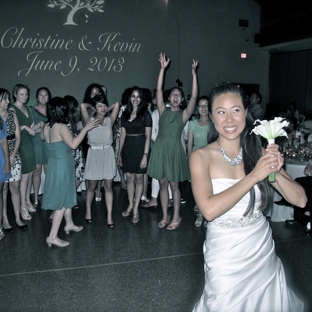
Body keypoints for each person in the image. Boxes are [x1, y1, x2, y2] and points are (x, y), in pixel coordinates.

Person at [189, 83, 306, 311]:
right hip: (224, 253)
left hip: (260, 250)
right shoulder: (201, 156)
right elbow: (209, 210)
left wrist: (274, 173)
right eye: (221, 112)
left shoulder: (258, 152)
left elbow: (300, 200)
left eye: (236, 110)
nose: (229, 119)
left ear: (246, 113)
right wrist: (254, 176)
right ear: (212, 118)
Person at [147, 53, 198, 230]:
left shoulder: (184, 114)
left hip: (175, 149)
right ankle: (165, 215)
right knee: (162, 184)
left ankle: (176, 217)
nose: (175, 97)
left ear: (181, 100)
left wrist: (193, 74)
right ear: (169, 98)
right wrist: (162, 69)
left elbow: (194, 99)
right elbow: (159, 90)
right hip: (161, 148)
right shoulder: (162, 110)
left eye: (179, 95)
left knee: (174, 185)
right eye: (173, 94)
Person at [40, 96, 98, 248]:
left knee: (65, 195)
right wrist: (86, 128)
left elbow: (42, 137)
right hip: (62, 165)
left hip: (54, 164)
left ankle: (69, 224)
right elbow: (73, 145)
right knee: (62, 201)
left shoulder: (47, 126)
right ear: (61, 110)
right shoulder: (61, 126)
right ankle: (52, 236)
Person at [81, 94, 119, 227]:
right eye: (99, 106)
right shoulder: (89, 120)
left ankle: (109, 216)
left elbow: (117, 104)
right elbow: (82, 106)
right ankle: (88, 211)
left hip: (107, 153)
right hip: (94, 154)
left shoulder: (110, 120)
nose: (102, 108)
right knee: (91, 186)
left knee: (108, 186)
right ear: (94, 107)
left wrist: (106, 109)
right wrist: (92, 106)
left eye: (104, 105)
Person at [118, 86, 152, 224]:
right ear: (129, 98)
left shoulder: (146, 114)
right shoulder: (125, 114)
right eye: (133, 96)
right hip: (127, 148)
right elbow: (122, 135)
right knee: (129, 178)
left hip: (140, 147)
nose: (135, 99)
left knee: (139, 179)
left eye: (138, 96)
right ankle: (130, 204)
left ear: (141, 99)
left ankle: (136, 208)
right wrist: (119, 154)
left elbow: (148, 137)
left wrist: (145, 155)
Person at [12, 84, 41, 220]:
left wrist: (42, 126)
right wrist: (23, 127)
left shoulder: (28, 109)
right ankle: (23, 206)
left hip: (29, 143)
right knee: (24, 177)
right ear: (15, 94)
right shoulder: (12, 108)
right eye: (21, 94)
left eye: (26, 94)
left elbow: (31, 128)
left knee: (29, 175)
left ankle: (27, 200)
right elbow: (12, 129)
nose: (24, 96)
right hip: (20, 145)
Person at [0, 89, 27, 232]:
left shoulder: (11, 114)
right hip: (0, 156)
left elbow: (18, 137)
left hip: (14, 154)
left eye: (8, 99)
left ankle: (17, 217)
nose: (8, 102)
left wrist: (12, 156)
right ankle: (5, 219)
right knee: (2, 189)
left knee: (15, 187)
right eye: (4, 99)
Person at [81, 83, 107, 201]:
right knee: (90, 170)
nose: (95, 95)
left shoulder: (103, 107)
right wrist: (92, 106)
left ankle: (98, 191)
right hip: (88, 142)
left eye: (98, 93)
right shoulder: (86, 108)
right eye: (92, 93)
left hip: (102, 143)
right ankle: (89, 192)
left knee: (100, 169)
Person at [187, 96, 210, 227]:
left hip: (209, 159)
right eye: (200, 105)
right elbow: (189, 144)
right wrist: (190, 160)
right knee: (198, 188)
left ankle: (206, 214)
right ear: (197, 108)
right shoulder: (193, 123)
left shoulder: (214, 124)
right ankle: (200, 214)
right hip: (196, 159)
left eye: (205, 105)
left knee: (208, 189)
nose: (203, 108)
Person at [30, 87, 51, 208]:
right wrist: (42, 129)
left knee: (49, 172)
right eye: (41, 95)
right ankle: (36, 199)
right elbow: (30, 128)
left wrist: (41, 129)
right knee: (36, 172)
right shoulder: (31, 110)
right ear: (37, 97)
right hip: (36, 143)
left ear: (49, 97)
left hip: (49, 143)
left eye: (46, 95)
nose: (43, 97)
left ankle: (49, 197)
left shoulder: (51, 110)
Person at [0, 93, 13, 239]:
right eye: (4, 99)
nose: (7, 102)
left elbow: (3, 141)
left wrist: (7, 161)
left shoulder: (1, 121)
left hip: (0, 158)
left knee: (1, 190)